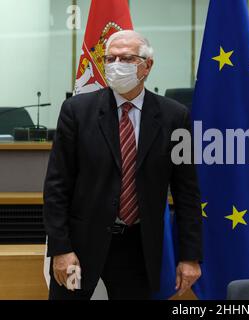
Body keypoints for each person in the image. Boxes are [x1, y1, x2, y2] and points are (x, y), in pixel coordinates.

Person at [43, 30, 202, 300]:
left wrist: (190, 257)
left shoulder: (176, 117)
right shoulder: (76, 111)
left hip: (138, 246)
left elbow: (187, 192)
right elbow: (57, 186)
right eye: (110, 58)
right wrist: (60, 248)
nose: (116, 65)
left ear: (147, 66)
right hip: (79, 245)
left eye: (126, 58)